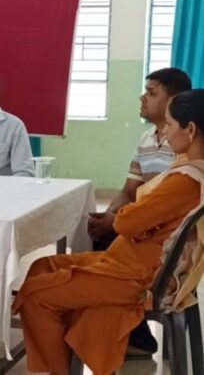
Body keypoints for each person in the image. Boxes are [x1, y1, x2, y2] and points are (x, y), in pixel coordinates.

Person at [13, 89, 204, 375]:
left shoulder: (186, 181)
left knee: (34, 296)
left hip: (137, 275)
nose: (164, 132)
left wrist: (132, 217)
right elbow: (139, 215)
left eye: (169, 124)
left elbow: (126, 223)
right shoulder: (187, 167)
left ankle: (58, 370)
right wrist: (137, 218)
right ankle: (63, 355)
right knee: (42, 266)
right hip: (127, 261)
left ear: (190, 130)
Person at [88, 67, 191, 355]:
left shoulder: (186, 143)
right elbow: (129, 191)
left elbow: (169, 206)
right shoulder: (146, 139)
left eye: (151, 93)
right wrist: (108, 215)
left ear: (174, 100)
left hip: (163, 234)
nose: (142, 98)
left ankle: (128, 334)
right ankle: (131, 333)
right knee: (98, 236)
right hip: (143, 222)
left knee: (74, 275)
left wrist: (118, 222)